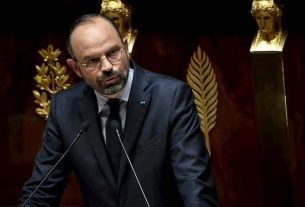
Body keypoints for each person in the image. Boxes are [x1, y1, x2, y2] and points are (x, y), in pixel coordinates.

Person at [19, 13, 218, 207]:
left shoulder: (171, 98)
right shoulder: (65, 108)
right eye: (92, 61)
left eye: (113, 52)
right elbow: (40, 192)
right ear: (75, 68)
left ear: (125, 46)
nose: (106, 66)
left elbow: (195, 186)